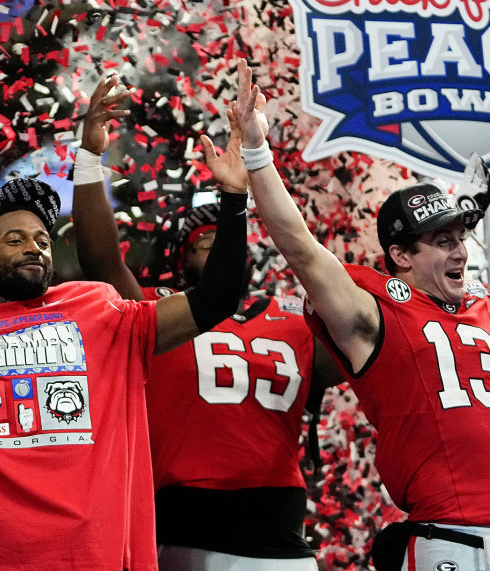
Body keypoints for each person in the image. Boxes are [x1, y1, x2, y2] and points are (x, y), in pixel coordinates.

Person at [228, 59, 490, 570]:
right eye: (441, 241)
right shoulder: (374, 315)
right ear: (401, 255)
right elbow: (301, 247)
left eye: (460, 239)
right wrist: (256, 152)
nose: (460, 253)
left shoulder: (477, 312)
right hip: (448, 543)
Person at [0, 108, 249, 571]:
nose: (34, 249)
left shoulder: (96, 310)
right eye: (15, 239)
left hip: (89, 557)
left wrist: (235, 197)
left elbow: (215, 299)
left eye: (42, 240)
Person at [71, 76, 340, 570]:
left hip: (281, 534)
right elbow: (104, 264)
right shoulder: (158, 313)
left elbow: (366, 345)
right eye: (202, 243)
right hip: (185, 528)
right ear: (179, 262)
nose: (216, 249)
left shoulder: (297, 320)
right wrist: (88, 161)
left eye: (225, 241)